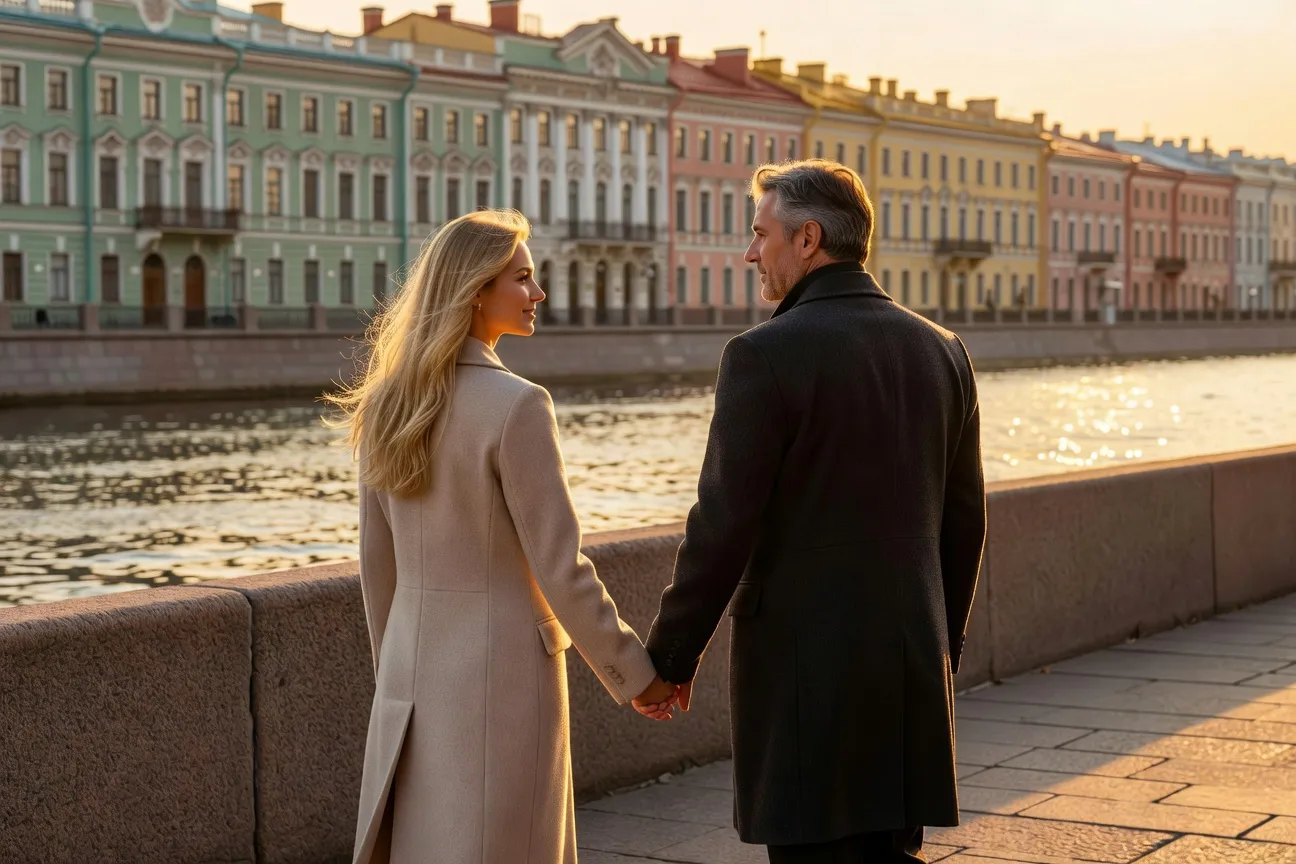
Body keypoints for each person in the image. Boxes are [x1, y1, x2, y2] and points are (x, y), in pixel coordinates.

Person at [644, 161, 987, 863]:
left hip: (807, 681)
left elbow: (722, 526)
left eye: (759, 233)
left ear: (807, 240)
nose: (749, 252)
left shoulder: (763, 355)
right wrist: (935, 651)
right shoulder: (942, 350)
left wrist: (671, 656)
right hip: (909, 672)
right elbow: (963, 526)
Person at [327, 210, 679, 864]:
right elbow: (562, 570)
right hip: (505, 680)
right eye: (522, 278)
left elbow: (377, 568)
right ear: (476, 290)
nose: (538, 294)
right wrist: (636, 676)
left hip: (411, 675)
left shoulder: (385, 404)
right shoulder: (517, 405)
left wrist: (395, 672)